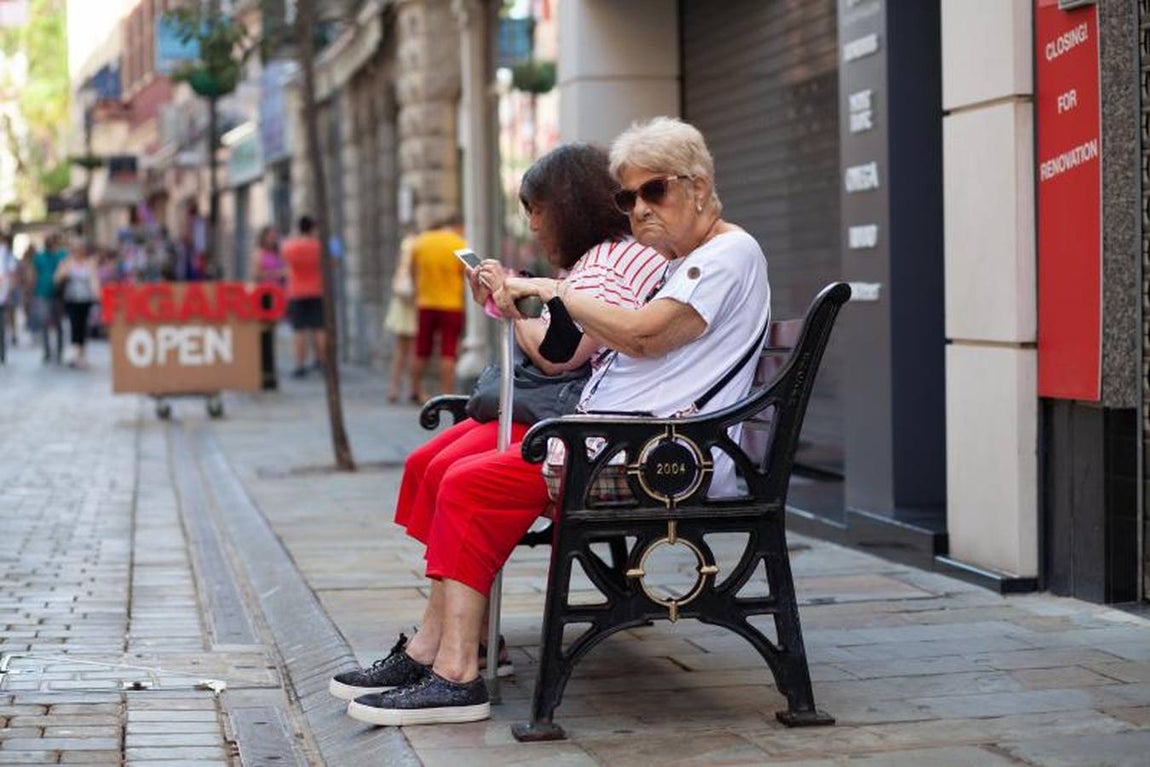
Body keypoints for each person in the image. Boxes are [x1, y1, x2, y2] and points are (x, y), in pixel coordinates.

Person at [339, 118, 770, 727]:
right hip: (628, 446)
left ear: (698, 188)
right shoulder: (684, 260)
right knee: (464, 472)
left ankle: (458, 672)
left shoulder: (726, 254)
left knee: (467, 482)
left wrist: (552, 290)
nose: (640, 210)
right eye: (628, 197)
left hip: (661, 460)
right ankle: (439, 654)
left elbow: (647, 337)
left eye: (656, 191)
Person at [329, 142, 664, 706]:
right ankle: (446, 643)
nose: (531, 222)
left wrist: (511, 310)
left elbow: (561, 356)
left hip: (589, 427)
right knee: (431, 465)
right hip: (580, 418)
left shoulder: (609, 262)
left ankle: (453, 654)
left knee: (455, 474)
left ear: (567, 205)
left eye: (535, 208)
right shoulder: (596, 263)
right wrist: (514, 301)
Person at [408, 217, 467, 401]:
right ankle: (446, 394)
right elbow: (466, 272)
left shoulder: (421, 242)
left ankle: (415, 390)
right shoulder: (459, 243)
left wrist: (419, 289)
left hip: (425, 303)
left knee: (421, 348)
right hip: (451, 304)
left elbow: (412, 270)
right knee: (448, 350)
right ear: (457, 227)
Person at [281, 215, 325, 378]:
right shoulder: (319, 246)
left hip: (296, 291)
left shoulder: (291, 246)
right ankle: (321, 361)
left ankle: (300, 365)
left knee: (299, 331)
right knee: (319, 328)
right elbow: (333, 262)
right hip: (317, 290)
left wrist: (295, 236)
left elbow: (284, 258)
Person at [383, 230, 418, 403]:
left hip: (401, 299)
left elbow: (400, 269)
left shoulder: (407, 242)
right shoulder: (419, 244)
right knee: (413, 349)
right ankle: (414, 388)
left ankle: (394, 388)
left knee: (400, 349)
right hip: (414, 300)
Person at [55, 240, 101, 370]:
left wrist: (97, 296)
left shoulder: (89, 263)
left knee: (83, 326)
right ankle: (76, 355)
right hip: (72, 299)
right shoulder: (67, 263)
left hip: (85, 300)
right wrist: (65, 271)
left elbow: (94, 281)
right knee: (74, 325)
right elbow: (57, 278)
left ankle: (82, 354)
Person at [251, 225, 286, 390]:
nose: (273, 239)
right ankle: (264, 373)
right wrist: (277, 274)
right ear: (264, 238)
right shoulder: (259, 253)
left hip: (277, 296)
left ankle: (271, 373)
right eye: (270, 236)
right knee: (264, 335)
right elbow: (256, 275)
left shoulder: (278, 253)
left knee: (272, 335)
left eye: (275, 236)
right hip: (264, 296)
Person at [32, 234, 67, 364]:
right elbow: (34, 273)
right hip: (42, 293)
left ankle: (59, 352)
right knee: (44, 323)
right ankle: (47, 351)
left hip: (57, 295)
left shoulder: (61, 255)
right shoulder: (39, 257)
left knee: (58, 324)